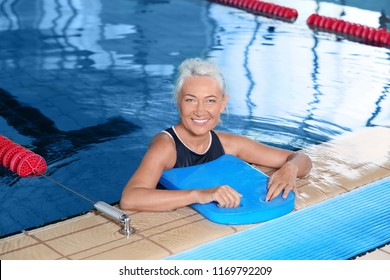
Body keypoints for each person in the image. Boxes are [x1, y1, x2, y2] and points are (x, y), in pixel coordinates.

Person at [120, 58, 312, 212]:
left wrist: (290, 168)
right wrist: (199, 195)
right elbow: (130, 198)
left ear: (223, 103)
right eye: (191, 100)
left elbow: (302, 159)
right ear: (179, 103)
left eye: (210, 101)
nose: (200, 111)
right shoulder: (166, 146)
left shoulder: (230, 144)